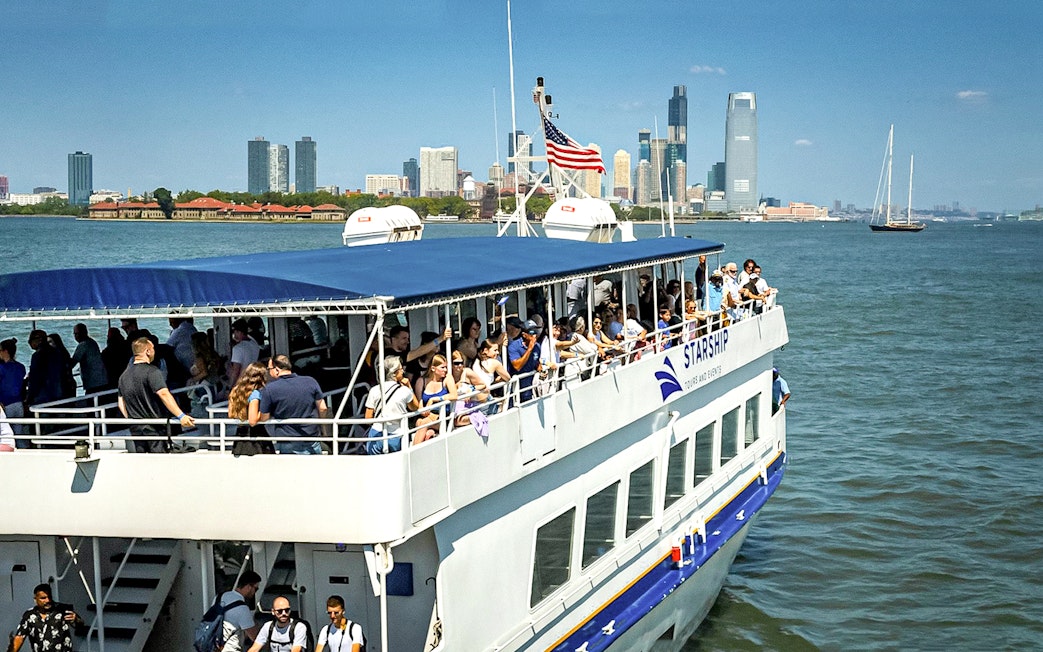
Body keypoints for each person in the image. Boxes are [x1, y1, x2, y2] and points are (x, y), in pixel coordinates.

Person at [117, 336, 195, 453]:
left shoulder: (124, 376)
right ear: (147, 351)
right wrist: (181, 416)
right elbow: (163, 393)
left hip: (136, 428)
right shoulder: (153, 372)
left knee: (142, 460)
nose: (154, 351)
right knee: (159, 461)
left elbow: (121, 404)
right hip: (155, 426)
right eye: (153, 348)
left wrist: (132, 419)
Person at [258, 354, 327, 455]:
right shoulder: (310, 381)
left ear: (277, 370)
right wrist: (323, 428)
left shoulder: (269, 389)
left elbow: (264, 417)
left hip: (287, 441)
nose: (268, 372)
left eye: (269, 369)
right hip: (311, 438)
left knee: (290, 471)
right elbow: (323, 408)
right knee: (314, 470)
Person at [364, 357, 420, 454]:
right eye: (400, 369)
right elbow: (415, 407)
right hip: (397, 434)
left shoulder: (374, 390)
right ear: (394, 373)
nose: (403, 371)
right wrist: (409, 387)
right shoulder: (404, 391)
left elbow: (368, 418)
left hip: (376, 434)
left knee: (375, 466)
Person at [11, 583, 84, 652]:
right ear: (35, 599)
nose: (47, 600)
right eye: (43, 598)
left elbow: (80, 626)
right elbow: (19, 637)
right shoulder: (29, 615)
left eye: (49, 597)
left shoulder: (62, 609)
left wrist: (76, 619)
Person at [227, 361, 273, 456]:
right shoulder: (255, 394)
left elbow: (231, 414)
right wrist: (265, 411)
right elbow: (252, 421)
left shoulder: (235, 391)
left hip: (239, 437)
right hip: (256, 438)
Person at [412, 354, 458, 444]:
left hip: (443, 416)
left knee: (424, 423)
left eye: (446, 367)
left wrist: (434, 399)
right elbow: (419, 405)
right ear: (433, 368)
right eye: (442, 367)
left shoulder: (447, 378)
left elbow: (454, 395)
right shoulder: (422, 381)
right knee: (422, 423)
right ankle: (430, 434)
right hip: (426, 416)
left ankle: (414, 451)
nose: (445, 370)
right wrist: (424, 412)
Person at [218, 570, 262, 652]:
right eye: (256, 589)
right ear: (249, 586)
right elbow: (255, 637)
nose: (254, 592)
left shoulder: (219, 597)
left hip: (213, 646)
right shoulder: (242, 608)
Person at [505, 316, 541, 402]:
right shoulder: (514, 346)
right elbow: (517, 366)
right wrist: (529, 349)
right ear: (524, 335)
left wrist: (539, 365)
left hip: (530, 387)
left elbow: (535, 361)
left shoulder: (538, 346)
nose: (535, 335)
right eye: (532, 332)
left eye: (536, 332)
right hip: (517, 388)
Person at [26, 329, 65, 407]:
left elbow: (35, 379)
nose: (29, 343)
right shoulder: (57, 353)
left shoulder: (37, 356)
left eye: (31, 340)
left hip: (42, 396)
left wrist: (29, 398)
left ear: (39, 340)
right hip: (58, 393)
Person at [0, 338, 27, 445]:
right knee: (18, 433)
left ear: (5, 351)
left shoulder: (2, 368)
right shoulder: (20, 367)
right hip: (18, 403)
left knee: (5, 433)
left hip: (5, 404)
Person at [71, 323, 108, 394]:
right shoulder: (92, 342)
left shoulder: (83, 345)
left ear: (84, 333)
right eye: (75, 334)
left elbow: (73, 362)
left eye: (77, 334)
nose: (76, 336)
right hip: (101, 380)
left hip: (93, 383)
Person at [228, 319, 261, 388]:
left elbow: (236, 371)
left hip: (241, 382)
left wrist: (230, 387)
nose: (234, 335)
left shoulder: (237, 348)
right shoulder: (255, 344)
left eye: (236, 332)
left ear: (241, 332)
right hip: (253, 380)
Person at [47, 332, 77, 398]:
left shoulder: (59, 355)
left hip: (64, 385)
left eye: (50, 342)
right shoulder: (64, 353)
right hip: (67, 384)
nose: (48, 344)